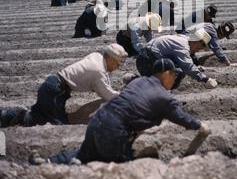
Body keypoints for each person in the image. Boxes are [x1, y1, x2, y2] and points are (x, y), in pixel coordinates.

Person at [30, 59, 210, 165]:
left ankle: (48, 163)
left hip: (98, 121)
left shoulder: (138, 82)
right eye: (174, 75)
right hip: (113, 131)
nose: (176, 78)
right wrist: (200, 125)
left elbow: (132, 106)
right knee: (121, 166)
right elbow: (181, 117)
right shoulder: (164, 96)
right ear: (166, 74)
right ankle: (75, 175)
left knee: (83, 155)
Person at [0, 44, 128, 128]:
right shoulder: (98, 71)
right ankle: (9, 115)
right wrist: (125, 96)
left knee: (38, 117)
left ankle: (6, 115)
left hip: (52, 86)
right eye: (117, 64)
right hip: (55, 92)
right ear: (110, 59)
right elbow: (107, 94)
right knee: (60, 125)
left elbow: (104, 80)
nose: (117, 68)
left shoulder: (97, 56)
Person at [136, 30, 218, 90]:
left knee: (174, 71)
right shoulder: (183, 46)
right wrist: (206, 79)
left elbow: (183, 62)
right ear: (195, 42)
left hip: (147, 57)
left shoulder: (184, 39)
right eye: (199, 48)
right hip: (146, 60)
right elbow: (187, 67)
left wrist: (196, 68)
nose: (197, 51)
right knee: (176, 74)